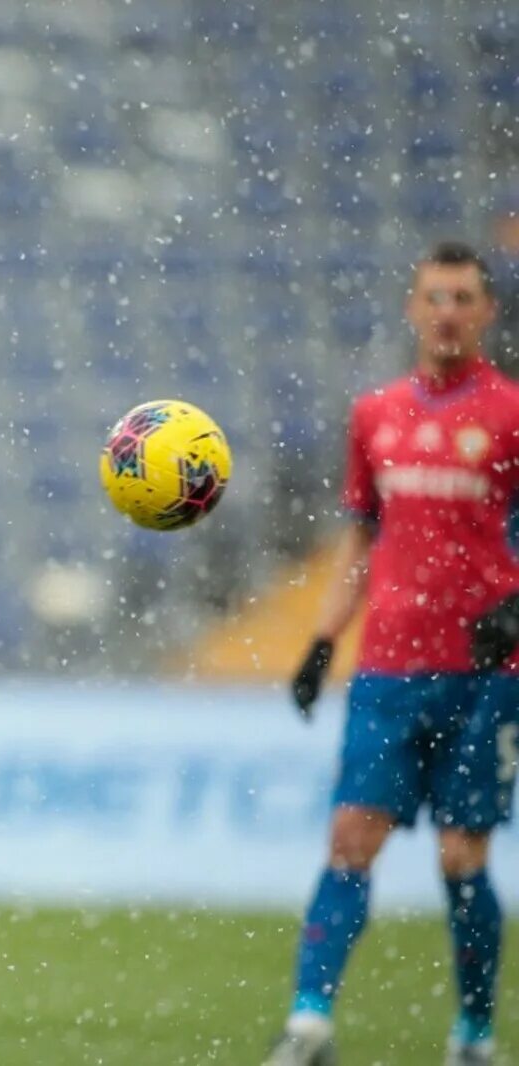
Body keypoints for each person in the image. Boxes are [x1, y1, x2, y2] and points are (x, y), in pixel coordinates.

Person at [269, 241, 519, 1066]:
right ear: (412, 309)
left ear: (485, 312)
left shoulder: (511, 413)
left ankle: (475, 1032)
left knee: (460, 856)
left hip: (486, 678)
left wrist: (513, 610)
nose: (446, 312)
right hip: (387, 669)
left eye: (462, 298)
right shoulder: (376, 414)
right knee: (350, 838)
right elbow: (361, 540)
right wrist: (318, 642)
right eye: (433, 297)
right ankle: (309, 1022)